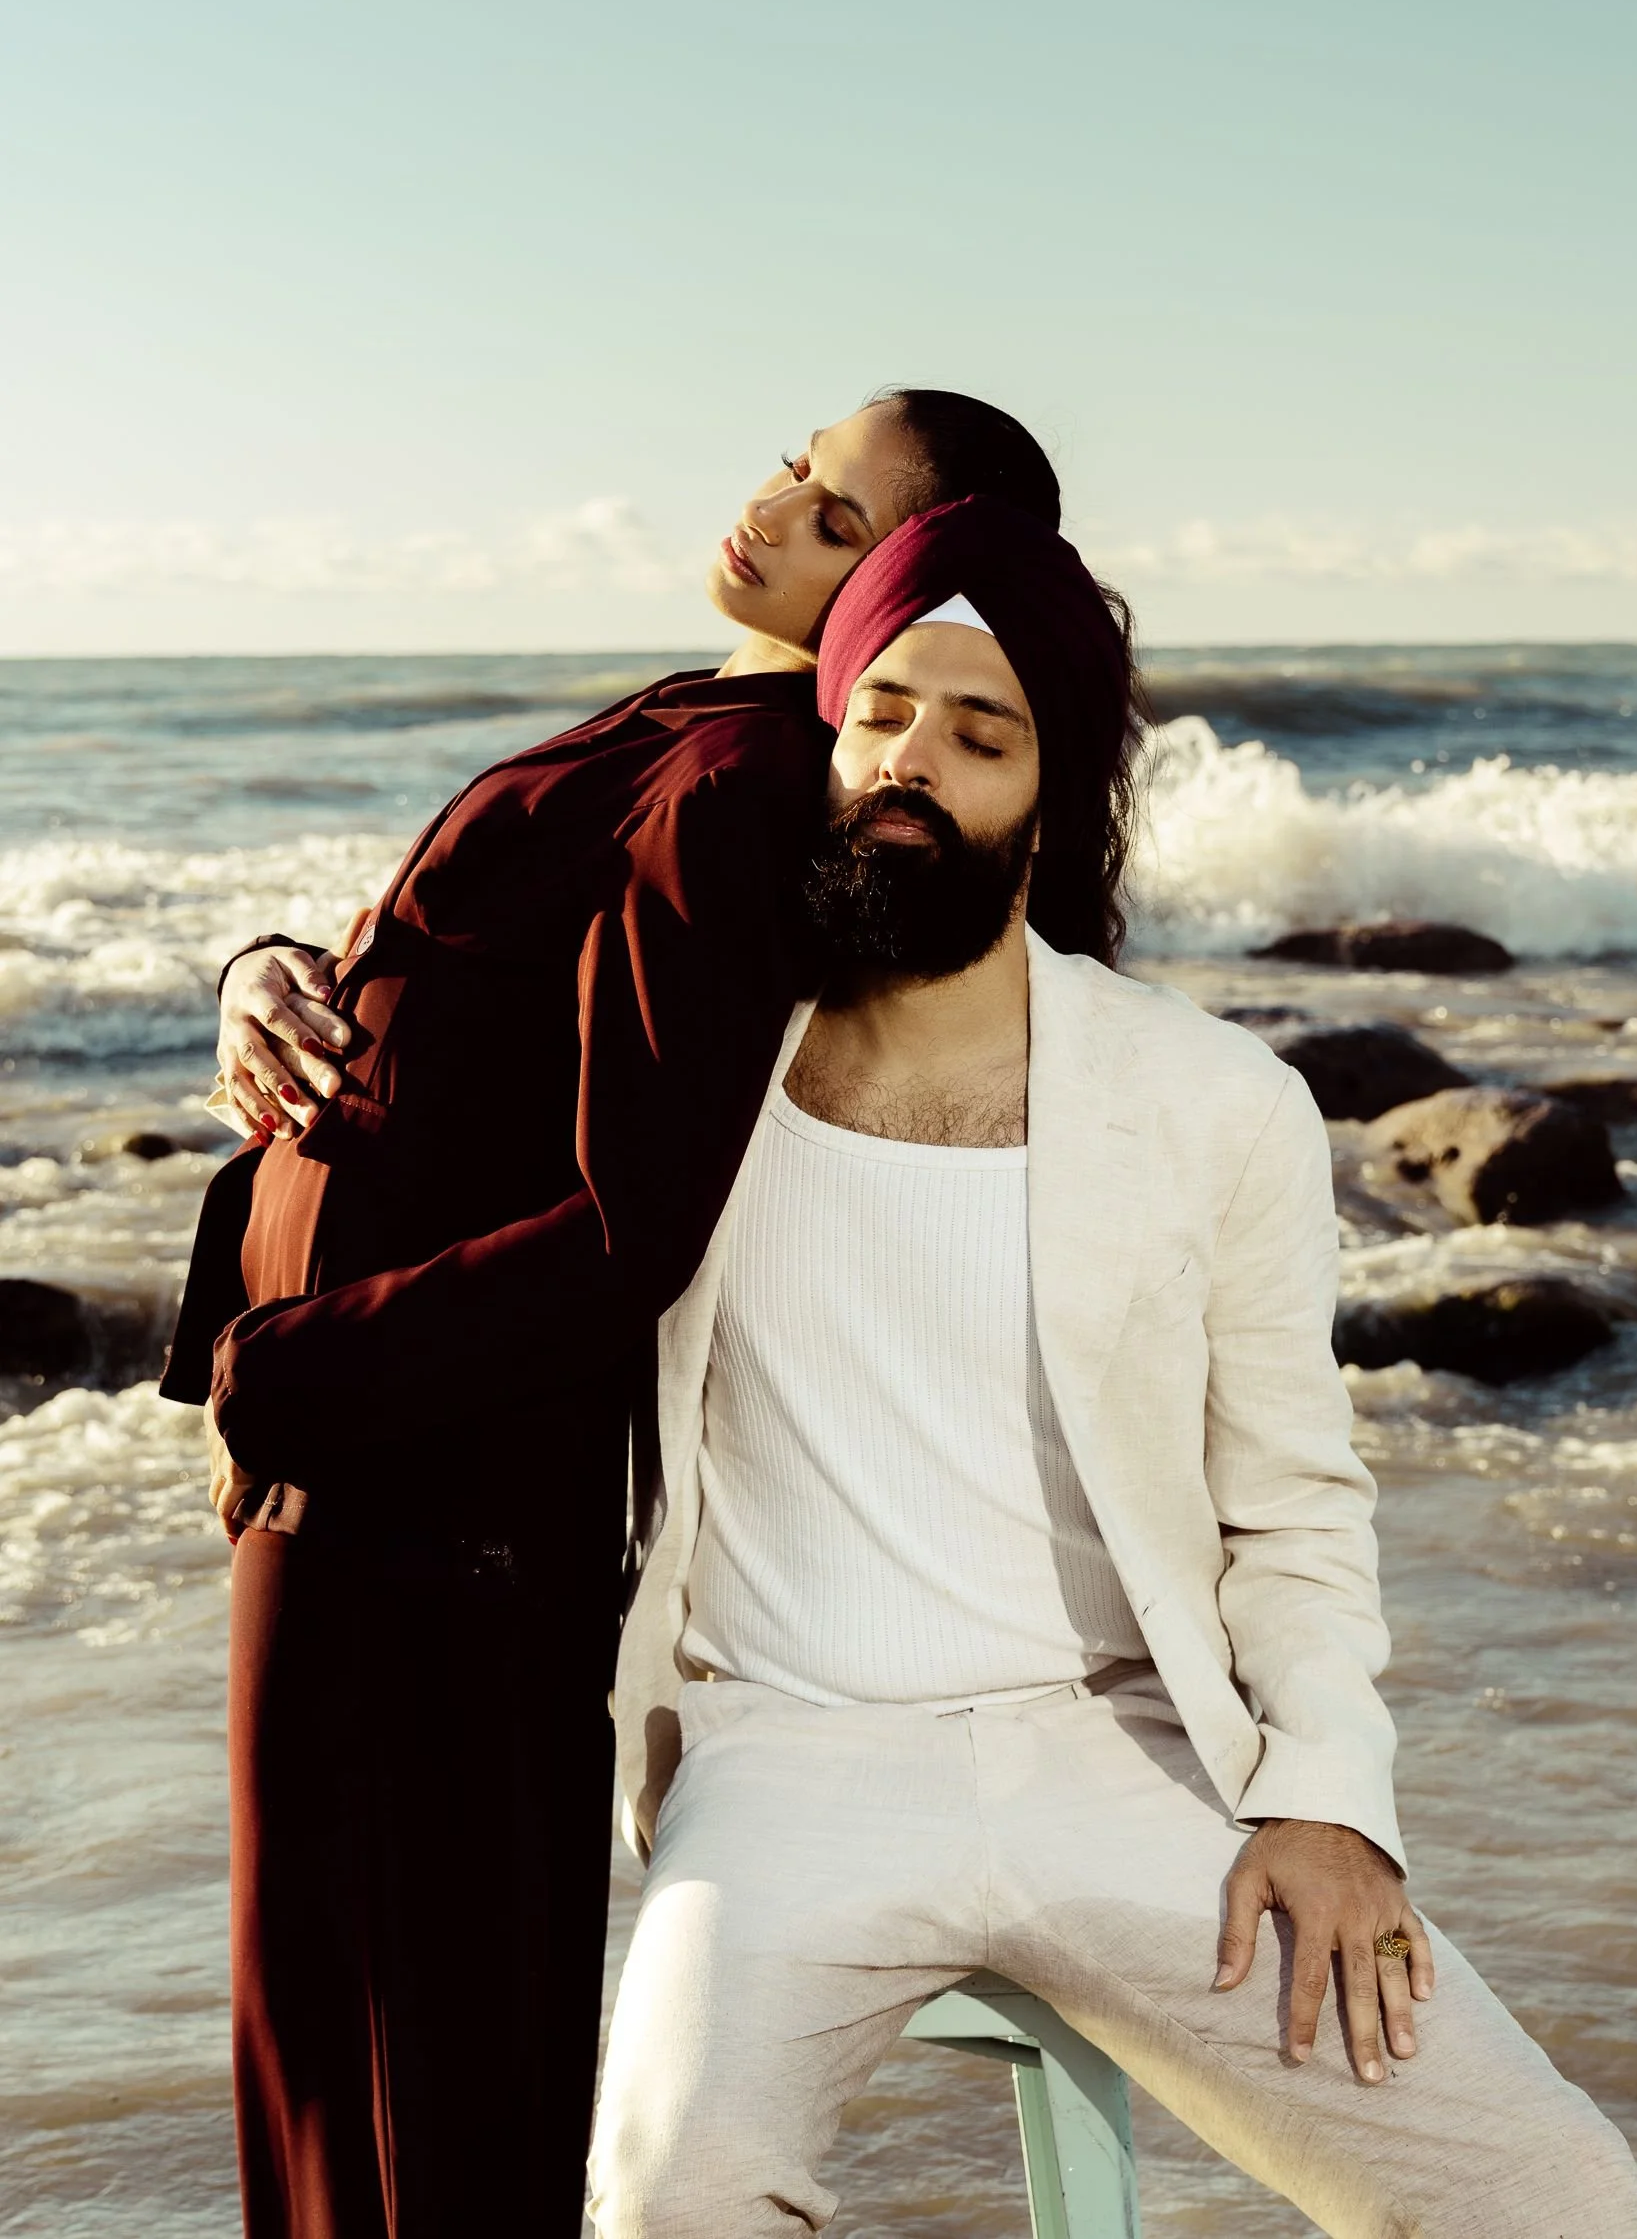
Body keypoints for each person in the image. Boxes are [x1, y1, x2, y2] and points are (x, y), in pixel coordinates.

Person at [589, 496, 1637, 2239]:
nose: (911, 761)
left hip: (1129, 1756)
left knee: (1554, 2193)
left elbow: (1292, 1503)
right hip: (783, 1759)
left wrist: (1329, 1804)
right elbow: (422, 984)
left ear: (1055, 794)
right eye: (880, 713)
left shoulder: (1209, 1098)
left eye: (979, 733)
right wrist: (266, 979)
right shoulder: (689, 1056)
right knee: (667, 2195)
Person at [161, 392, 1064, 2239]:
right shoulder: (677, 724)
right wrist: (267, 967)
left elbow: (629, 1223)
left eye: (836, 519)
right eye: (794, 468)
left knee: (408, 2092)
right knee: (330, 2056)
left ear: (903, 591)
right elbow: (447, 1003)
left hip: (428, 1505)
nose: (770, 511)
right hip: (367, 1472)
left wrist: (286, 1378)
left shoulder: (737, 783)